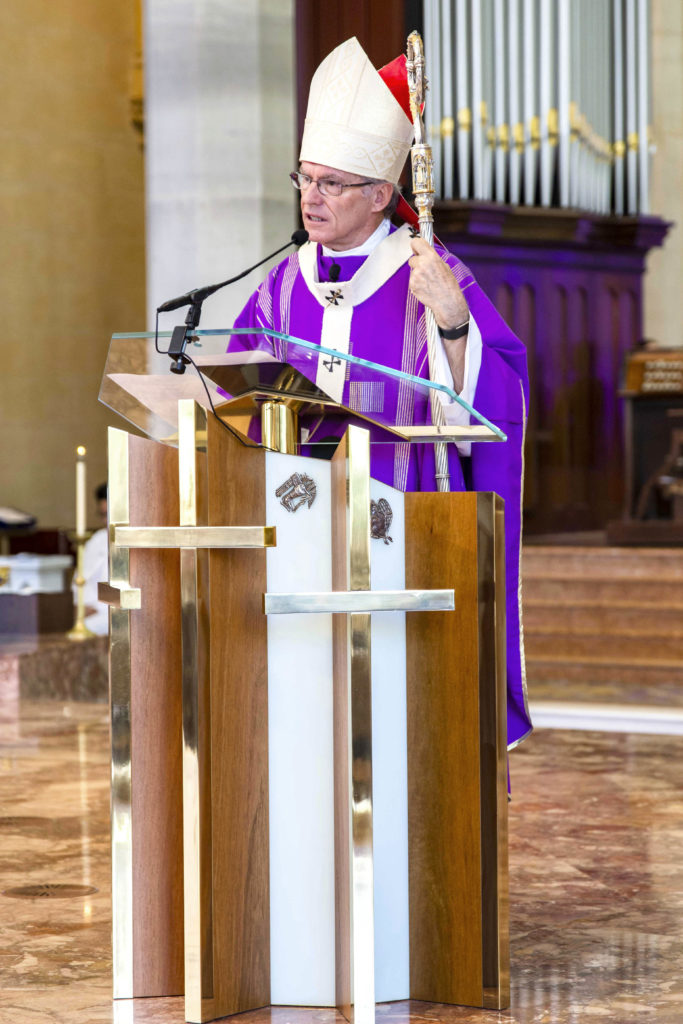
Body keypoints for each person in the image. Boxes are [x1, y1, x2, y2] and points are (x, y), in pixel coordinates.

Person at [233, 37, 531, 750]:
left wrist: (453, 323)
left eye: (330, 183)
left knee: (397, 727)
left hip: (403, 530)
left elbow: (494, 407)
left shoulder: (427, 272)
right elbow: (235, 393)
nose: (310, 196)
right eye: (303, 179)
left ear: (377, 196)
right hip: (296, 529)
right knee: (305, 728)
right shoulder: (280, 284)